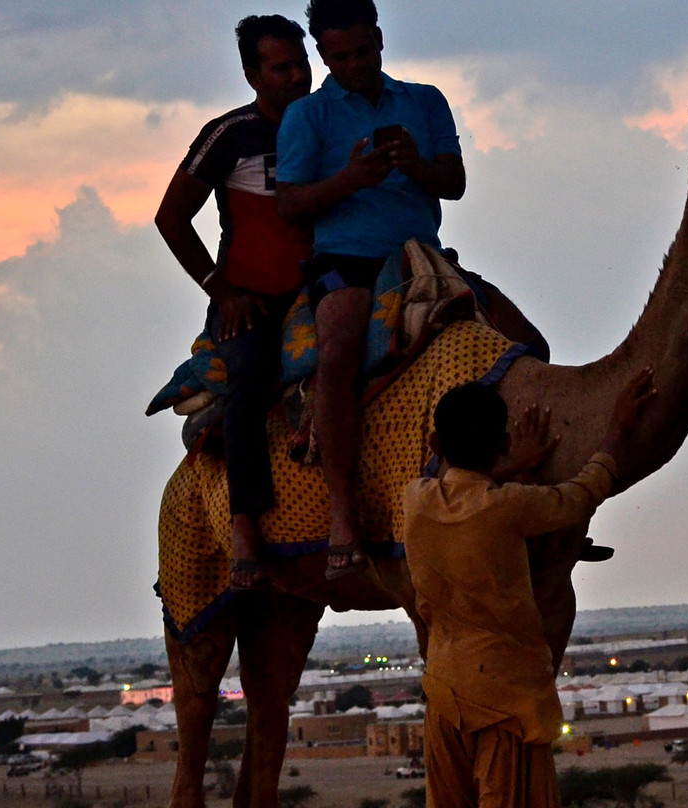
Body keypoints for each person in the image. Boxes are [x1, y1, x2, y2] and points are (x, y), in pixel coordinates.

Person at [403, 368, 657, 808]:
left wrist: (511, 465)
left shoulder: (416, 499)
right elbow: (582, 494)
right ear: (504, 443)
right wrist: (616, 429)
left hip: (444, 697)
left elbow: (467, 492)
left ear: (435, 445)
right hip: (507, 704)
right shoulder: (510, 507)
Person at [276, 0, 466, 580]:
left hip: (420, 255)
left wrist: (415, 164)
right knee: (337, 351)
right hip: (346, 260)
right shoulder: (307, 116)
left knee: (516, 339)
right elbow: (290, 204)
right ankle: (342, 515)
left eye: (363, 51)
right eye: (341, 57)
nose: (355, 64)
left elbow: (454, 182)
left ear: (379, 40)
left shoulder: (425, 100)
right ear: (324, 55)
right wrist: (351, 180)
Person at [154, 15, 313, 591]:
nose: (297, 76)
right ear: (253, 75)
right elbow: (171, 217)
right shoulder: (229, 135)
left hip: (324, 282)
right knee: (249, 380)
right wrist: (221, 291)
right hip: (252, 299)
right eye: (282, 67)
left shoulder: (328, 121)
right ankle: (245, 524)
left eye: (302, 63)